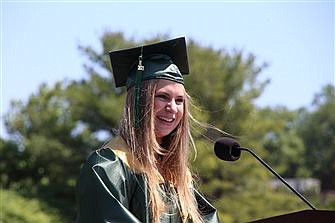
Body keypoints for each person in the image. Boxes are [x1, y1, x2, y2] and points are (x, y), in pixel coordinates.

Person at [75, 37, 220, 223]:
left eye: (179, 100)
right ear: (139, 102)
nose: (172, 108)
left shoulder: (179, 176)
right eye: (162, 97)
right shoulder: (108, 167)